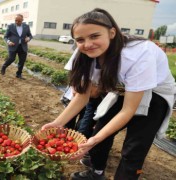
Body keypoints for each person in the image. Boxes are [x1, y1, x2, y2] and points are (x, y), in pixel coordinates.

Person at [42, 8, 176, 180]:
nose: (87, 44)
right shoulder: (83, 53)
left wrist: (95, 139)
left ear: (112, 32)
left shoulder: (138, 54)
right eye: (80, 39)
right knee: (99, 132)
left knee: (134, 148)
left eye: (95, 36)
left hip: (154, 94)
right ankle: (96, 173)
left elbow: (128, 110)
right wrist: (57, 123)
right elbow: (82, 96)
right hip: (122, 90)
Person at [0, 14, 32, 79]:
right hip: (13, 45)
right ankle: (4, 66)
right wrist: (8, 42)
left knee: (22, 61)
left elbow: (30, 35)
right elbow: (5, 37)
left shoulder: (26, 26)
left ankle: (19, 74)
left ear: (22, 20)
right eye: (16, 20)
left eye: (19, 21)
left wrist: (28, 38)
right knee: (11, 58)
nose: (17, 22)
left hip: (22, 46)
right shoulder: (11, 26)